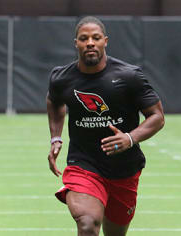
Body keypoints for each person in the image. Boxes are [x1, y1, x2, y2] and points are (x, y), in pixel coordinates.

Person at [46, 16, 164, 236]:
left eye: (96, 38)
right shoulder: (62, 78)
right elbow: (54, 100)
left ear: (105, 41)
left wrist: (129, 138)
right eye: (84, 38)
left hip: (124, 168)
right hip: (84, 164)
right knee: (88, 223)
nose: (90, 42)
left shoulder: (129, 76)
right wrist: (56, 137)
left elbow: (157, 116)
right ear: (76, 43)